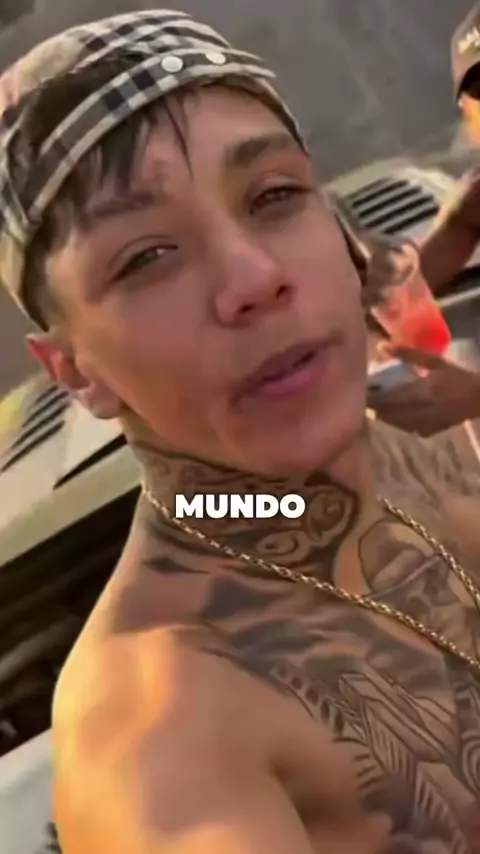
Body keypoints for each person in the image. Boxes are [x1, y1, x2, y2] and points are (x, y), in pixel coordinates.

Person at [1, 10, 480, 854]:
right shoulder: (161, 730)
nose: (255, 279)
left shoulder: (424, 434)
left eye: (274, 196)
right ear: (74, 370)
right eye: (146, 257)